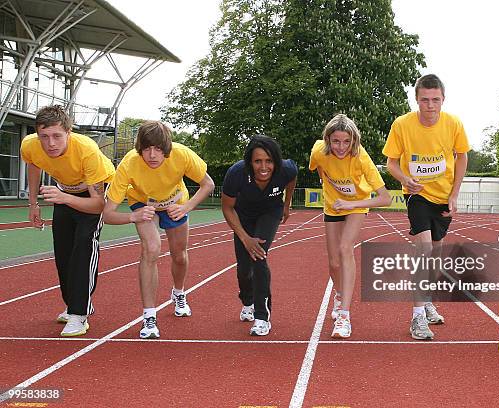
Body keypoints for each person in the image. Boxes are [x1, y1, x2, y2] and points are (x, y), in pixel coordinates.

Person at [103, 121, 214, 339]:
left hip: (175, 204)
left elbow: (208, 184)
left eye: (158, 149)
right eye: (147, 149)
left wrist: (186, 207)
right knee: (151, 249)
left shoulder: (182, 155)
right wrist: (132, 216)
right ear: (139, 149)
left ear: (168, 148)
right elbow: (107, 214)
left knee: (179, 256)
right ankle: (149, 316)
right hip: (144, 206)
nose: (152, 155)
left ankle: (179, 293)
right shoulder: (128, 165)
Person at [383, 74, 470, 340]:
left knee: (436, 255)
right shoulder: (402, 125)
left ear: (443, 99)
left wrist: (454, 194)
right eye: (425, 100)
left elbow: (462, 157)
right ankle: (417, 317)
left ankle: (428, 300)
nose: (430, 105)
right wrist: (405, 178)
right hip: (416, 195)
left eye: (435, 100)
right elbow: (391, 163)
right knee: (424, 250)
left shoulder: (453, 123)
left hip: (443, 197)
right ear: (417, 100)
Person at [20, 105, 115, 337]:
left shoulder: (87, 150)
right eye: (44, 136)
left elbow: (98, 204)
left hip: (93, 193)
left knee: (84, 245)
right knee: (63, 253)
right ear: (37, 134)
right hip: (62, 190)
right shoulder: (30, 145)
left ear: (69, 133)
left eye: (57, 136)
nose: (50, 143)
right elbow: (33, 165)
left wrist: (64, 197)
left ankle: (79, 314)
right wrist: (33, 203)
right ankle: (73, 304)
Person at [309, 114, 392, 339]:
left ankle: (344, 315)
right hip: (332, 206)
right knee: (334, 262)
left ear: (354, 140)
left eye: (346, 141)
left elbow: (386, 199)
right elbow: (317, 167)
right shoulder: (318, 151)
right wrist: (326, 182)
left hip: (356, 205)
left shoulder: (362, 159)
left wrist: (351, 202)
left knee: (346, 249)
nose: (341, 147)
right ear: (328, 140)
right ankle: (339, 293)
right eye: (336, 141)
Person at [221, 135, 297, 336]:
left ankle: (262, 317)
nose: (264, 167)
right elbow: (228, 208)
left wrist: (287, 204)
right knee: (243, 270)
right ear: (249, 162)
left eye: (269, 161)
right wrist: (245, 238)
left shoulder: (286, 169)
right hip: (242, 216)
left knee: (258, 256)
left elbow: (292, 178)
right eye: (257, 161)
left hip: (270, 213)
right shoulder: (236, 174)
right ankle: (247, 301)